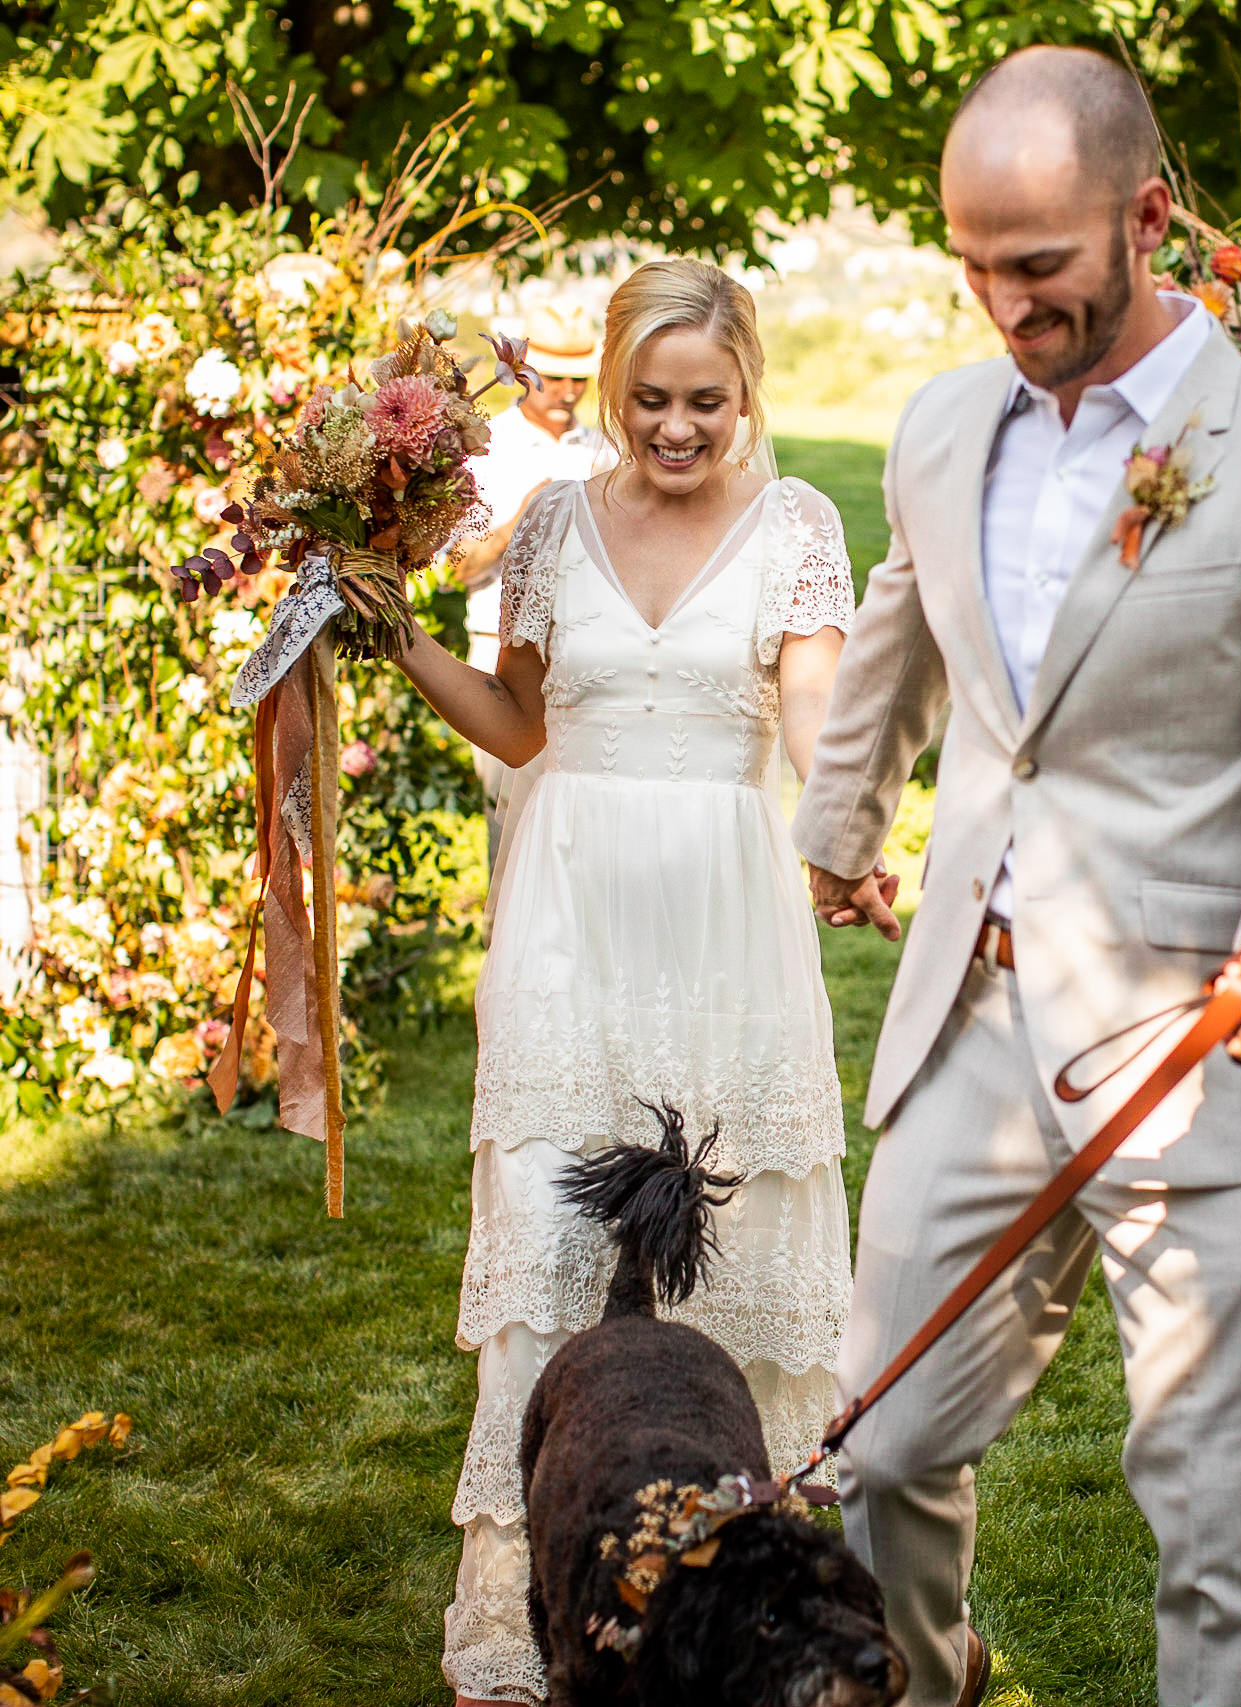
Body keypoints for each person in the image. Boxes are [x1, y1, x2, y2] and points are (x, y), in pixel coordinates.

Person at [792, 46, 1241, 1707]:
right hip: (974, 1029)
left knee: (1215, 1517)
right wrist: (833, 830)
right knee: (882, 1450)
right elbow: (895, 638)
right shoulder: (937, 427)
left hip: (1194, 1048)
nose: (1004, 301)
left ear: (1148, 216)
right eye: (974, 264)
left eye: (1041, 263)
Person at [392, 258, 861, 1705]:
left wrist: (851, 835)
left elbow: (816, 718)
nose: (674, 426)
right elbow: (519, 726)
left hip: (726, 926)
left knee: (725, 1242)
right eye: (648, 398)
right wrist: (395, 630)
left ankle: (736, 1592)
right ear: (610, 388)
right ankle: (524, 1598)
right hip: (568, 921)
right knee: (545, 1232)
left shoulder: (795, 526)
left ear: (747, 390)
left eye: (703, 401)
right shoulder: (547, 525)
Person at [458, 300, 614, 865]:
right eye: (556, 377)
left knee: (583, 808)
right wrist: (522, 523)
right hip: (499, 647)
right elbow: (458, 569)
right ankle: (502, 937)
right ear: (523, 375)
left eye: (581, 379)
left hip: (589, 650)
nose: (569, 391)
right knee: (510, 810)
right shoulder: (484, 448)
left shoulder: (604, 449)